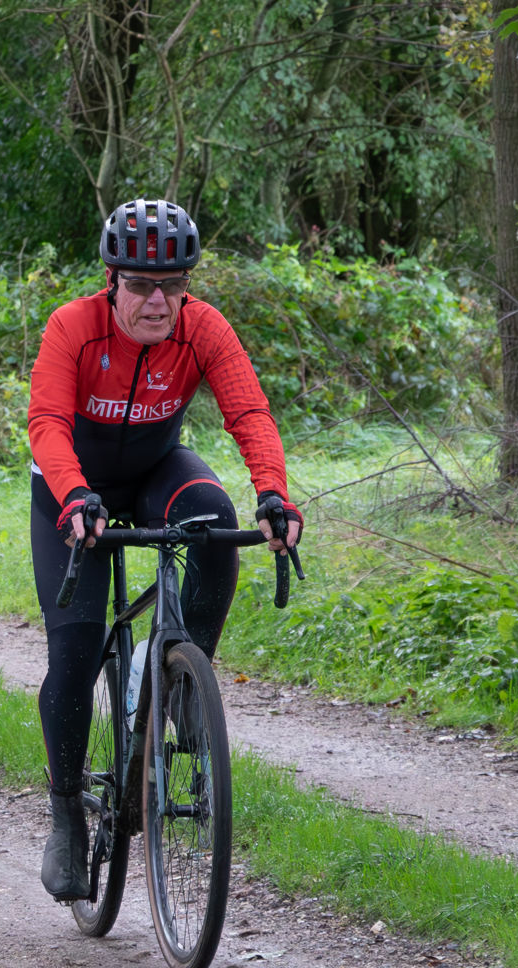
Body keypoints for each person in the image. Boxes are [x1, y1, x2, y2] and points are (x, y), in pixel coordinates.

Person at [27, 197, 303, 901]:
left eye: (174, 286)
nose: (159, 301)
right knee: (76, 651)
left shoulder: (202, 328)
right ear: (111, 280)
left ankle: (183, 677)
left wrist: (274, 494)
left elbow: (248, 411)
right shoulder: (73, 328)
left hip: (154, 471)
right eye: (143, 286)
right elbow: (49, 421)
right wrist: (73, 496)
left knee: (214, 517)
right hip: (73, 486)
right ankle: (66, 815)